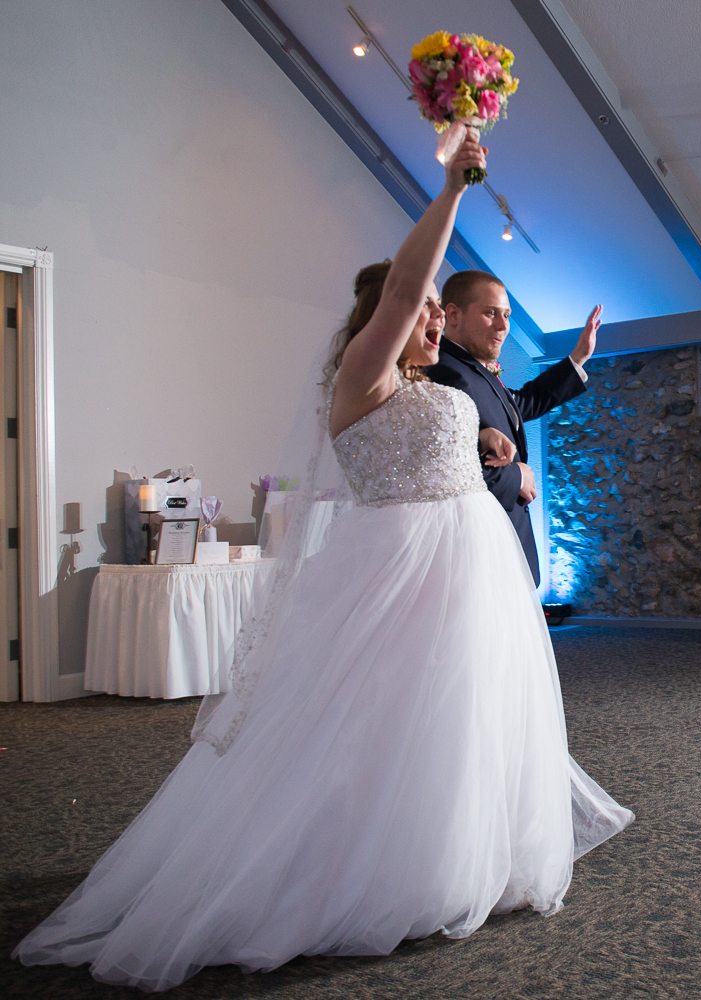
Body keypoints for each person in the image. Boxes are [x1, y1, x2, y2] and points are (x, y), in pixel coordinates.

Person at [13, 131, 632, 992]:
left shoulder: (425, 387)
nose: (431, 321)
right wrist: (451, 188)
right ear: (386, 317)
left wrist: (487, 436)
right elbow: (411, 294)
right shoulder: (363, 375)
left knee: (457, 719)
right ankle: (353, 870)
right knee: (376, 720)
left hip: (472, 575)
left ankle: (447, 854)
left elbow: (448, 440)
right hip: (402, 570)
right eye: (419, 313)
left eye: (430, 318)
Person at [428, 271, 601, 585]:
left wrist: (578, 358)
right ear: (453, 314)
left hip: (503, 539)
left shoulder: (473, 369)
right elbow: (447, 469)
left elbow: (519, 405)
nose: (503, 325)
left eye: (506, 315)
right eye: (490, 313)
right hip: (479, 546)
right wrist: (517, 476)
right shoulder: (445, 370)